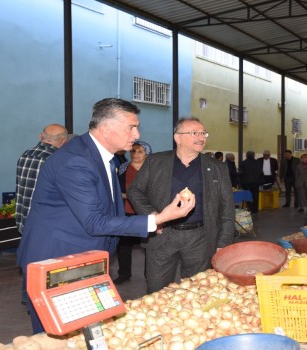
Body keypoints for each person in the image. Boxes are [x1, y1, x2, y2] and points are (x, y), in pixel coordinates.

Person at [17, 98, 195, 334]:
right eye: (131, 127)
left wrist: (147, 219)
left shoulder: (104, 156)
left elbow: (109, 208)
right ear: (105, 128)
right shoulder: (76, 161)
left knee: (85, 333)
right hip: (58, 262)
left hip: (83, 257)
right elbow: (94, 221)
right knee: (56, 337)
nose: (137, 133)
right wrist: (158, 219)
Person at [128, 117, 235, 294]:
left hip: (200, 238)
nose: (201, 137)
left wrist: (223, 242)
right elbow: (135, 191)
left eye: (203, 133)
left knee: (198, 290)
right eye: (195, 133)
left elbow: (227, 208)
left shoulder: (217, 167)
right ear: (177, 137)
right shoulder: (155, 162)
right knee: (157, 290)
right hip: (162, 236)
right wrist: (154, 217)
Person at [15, 123, 68, 234]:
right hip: (46, 226)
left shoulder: (25, 155)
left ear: (40, 136)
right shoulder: (58, 160)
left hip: (24, 222)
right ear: (63, 141)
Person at [113, 140, 153, 285]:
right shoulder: (123, 168)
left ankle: (150, 275)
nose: (135, 154)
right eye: (133, 151)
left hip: (146, 213)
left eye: (140, 151)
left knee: (150, 246)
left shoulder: (152, 170)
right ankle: (124, 274)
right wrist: (124, 195)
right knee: (123, 246)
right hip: (126, 212)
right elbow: (115, 189)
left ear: (147, 154)